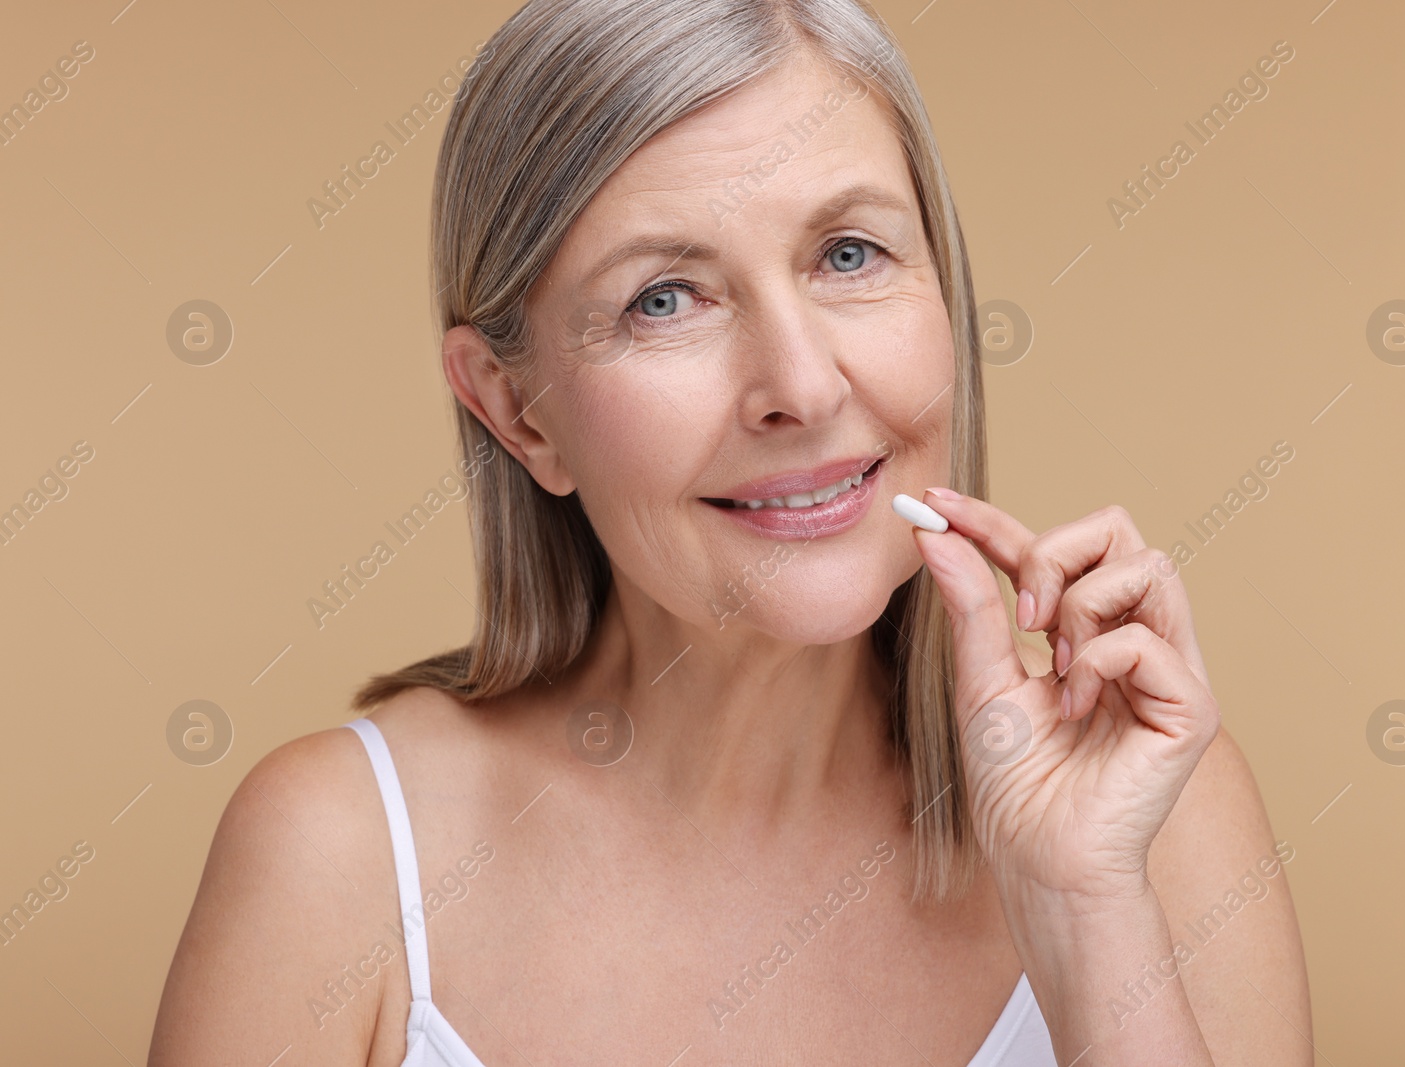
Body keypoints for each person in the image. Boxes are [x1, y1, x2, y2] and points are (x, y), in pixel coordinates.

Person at [150, 1, 1311, 1063]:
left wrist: (1082, 912)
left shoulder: (1159, 817)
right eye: (665, 297)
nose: (800, 387)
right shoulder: (337, 860)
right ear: (514, 410)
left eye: (847, 254)